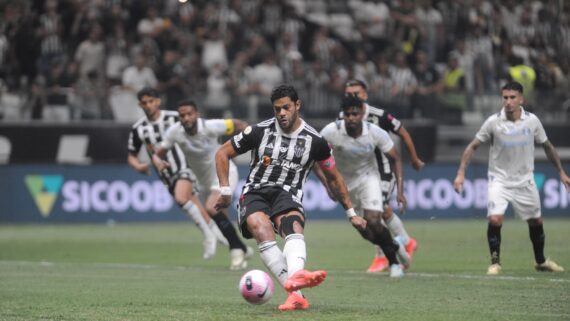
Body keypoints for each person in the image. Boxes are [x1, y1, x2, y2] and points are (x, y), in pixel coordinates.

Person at [215, 85, 367, 311]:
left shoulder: (316, 141)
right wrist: (226, 191)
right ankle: (296, 285)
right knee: (260, 227)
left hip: (288, 193)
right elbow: (222, 153)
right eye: (277, 109)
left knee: (292, 226)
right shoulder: (258, 131)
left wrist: (351, 213)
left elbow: (334, 177)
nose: (282, 113)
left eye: (286, 107)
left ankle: (295, 289)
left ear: (297, 105)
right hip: (256, 191)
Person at [453, 81, 568, 275]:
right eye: (505, 97)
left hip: (525, 180)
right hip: (499, 180)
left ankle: (540, 261)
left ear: (521, 99)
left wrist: (561, 172)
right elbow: (472, 146)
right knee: (496, 219)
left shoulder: (532, 121)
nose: (508, 101)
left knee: (536, 222)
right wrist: (461, 172)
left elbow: (548, 147)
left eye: (512, 97)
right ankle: (495, 262)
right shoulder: (493, 122)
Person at [316, 95, 411, 278]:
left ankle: (394, 264)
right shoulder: (331, 132)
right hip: (344, 185)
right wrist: (327, 184)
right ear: (343, 115)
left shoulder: (374, 132)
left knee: (375, 220)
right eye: (348, 114)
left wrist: (400, 191)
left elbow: (396, 158)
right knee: (366, 232)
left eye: (355, 114)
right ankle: (395, 245)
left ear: (362, 114)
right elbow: (315, 158)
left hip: (369, 179)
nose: (352, 118)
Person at [151, 99, 253, 270]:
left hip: (225, 174)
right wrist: (158, 161)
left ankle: (236, 250)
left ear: (197, 114)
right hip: (203, 183)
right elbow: (158, 153)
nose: (185, 118)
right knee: (219, 217)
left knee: (212, 208)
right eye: (182, 115)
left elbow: (240, 124)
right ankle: (242, 248)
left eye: (189, 114)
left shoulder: (212, 126)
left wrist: (252, 141)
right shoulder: (175, 132)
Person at [127, 88, 226, 260]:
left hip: (187, 166)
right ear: (139, 105)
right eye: (144, 103)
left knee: (181, 198)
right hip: (166, 175)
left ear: (158, 101)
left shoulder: (176, 117)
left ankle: (210, 237)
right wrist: (138, 166)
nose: (148, 105)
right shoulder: (139, 129)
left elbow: (201, 129)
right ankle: (228, 240)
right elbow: (131, 155)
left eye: (151, 101)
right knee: (195, 206)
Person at [344, 79, 424, 273]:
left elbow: (403, 132)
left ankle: (382, 256)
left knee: (374, 214)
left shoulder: (379, 116)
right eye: (349, 94)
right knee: (382, 211)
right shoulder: (345, 116)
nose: (352, 97)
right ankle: (406, 241)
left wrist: (413, 158)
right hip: (361, 174)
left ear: (365, 95)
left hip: (384, 170)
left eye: (356, 93)